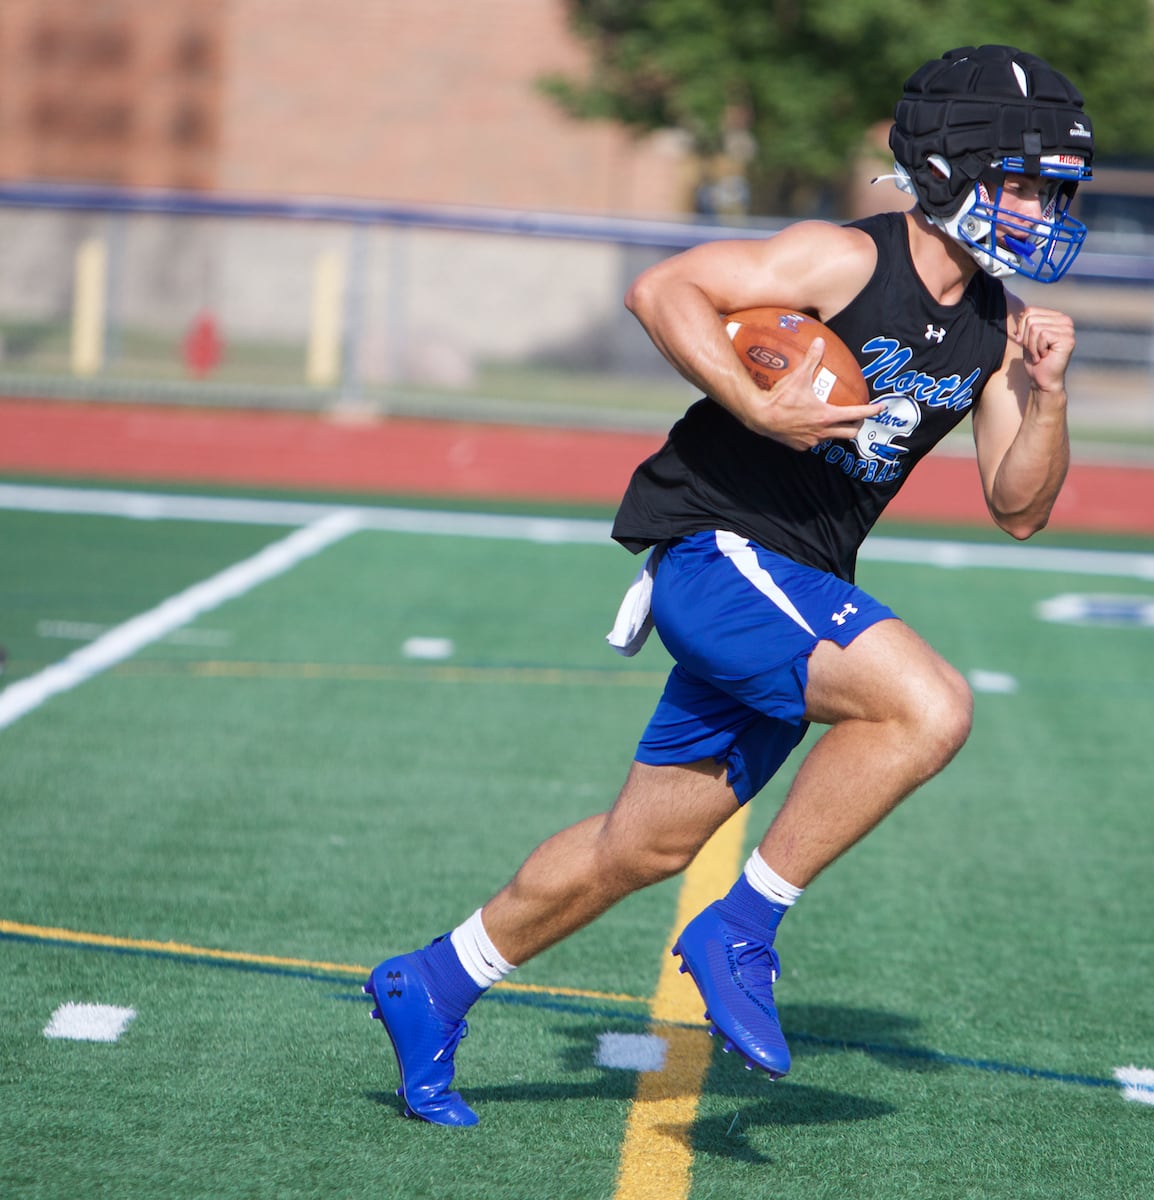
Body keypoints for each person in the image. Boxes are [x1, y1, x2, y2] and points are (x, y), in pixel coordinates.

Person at [363, 43, 1094, 1126]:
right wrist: (759, 411)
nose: (1040, 210)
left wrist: (1043, 400)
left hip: (795, 578)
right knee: (928, 706)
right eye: (1023, 181)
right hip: (718, 550)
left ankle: (433, 981)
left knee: (642, 846)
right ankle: (743, 925)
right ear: (948, 168)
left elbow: (1020, 508)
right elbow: (663, 290)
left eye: (1052, 189)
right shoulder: (843, 258)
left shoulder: (995, 326)